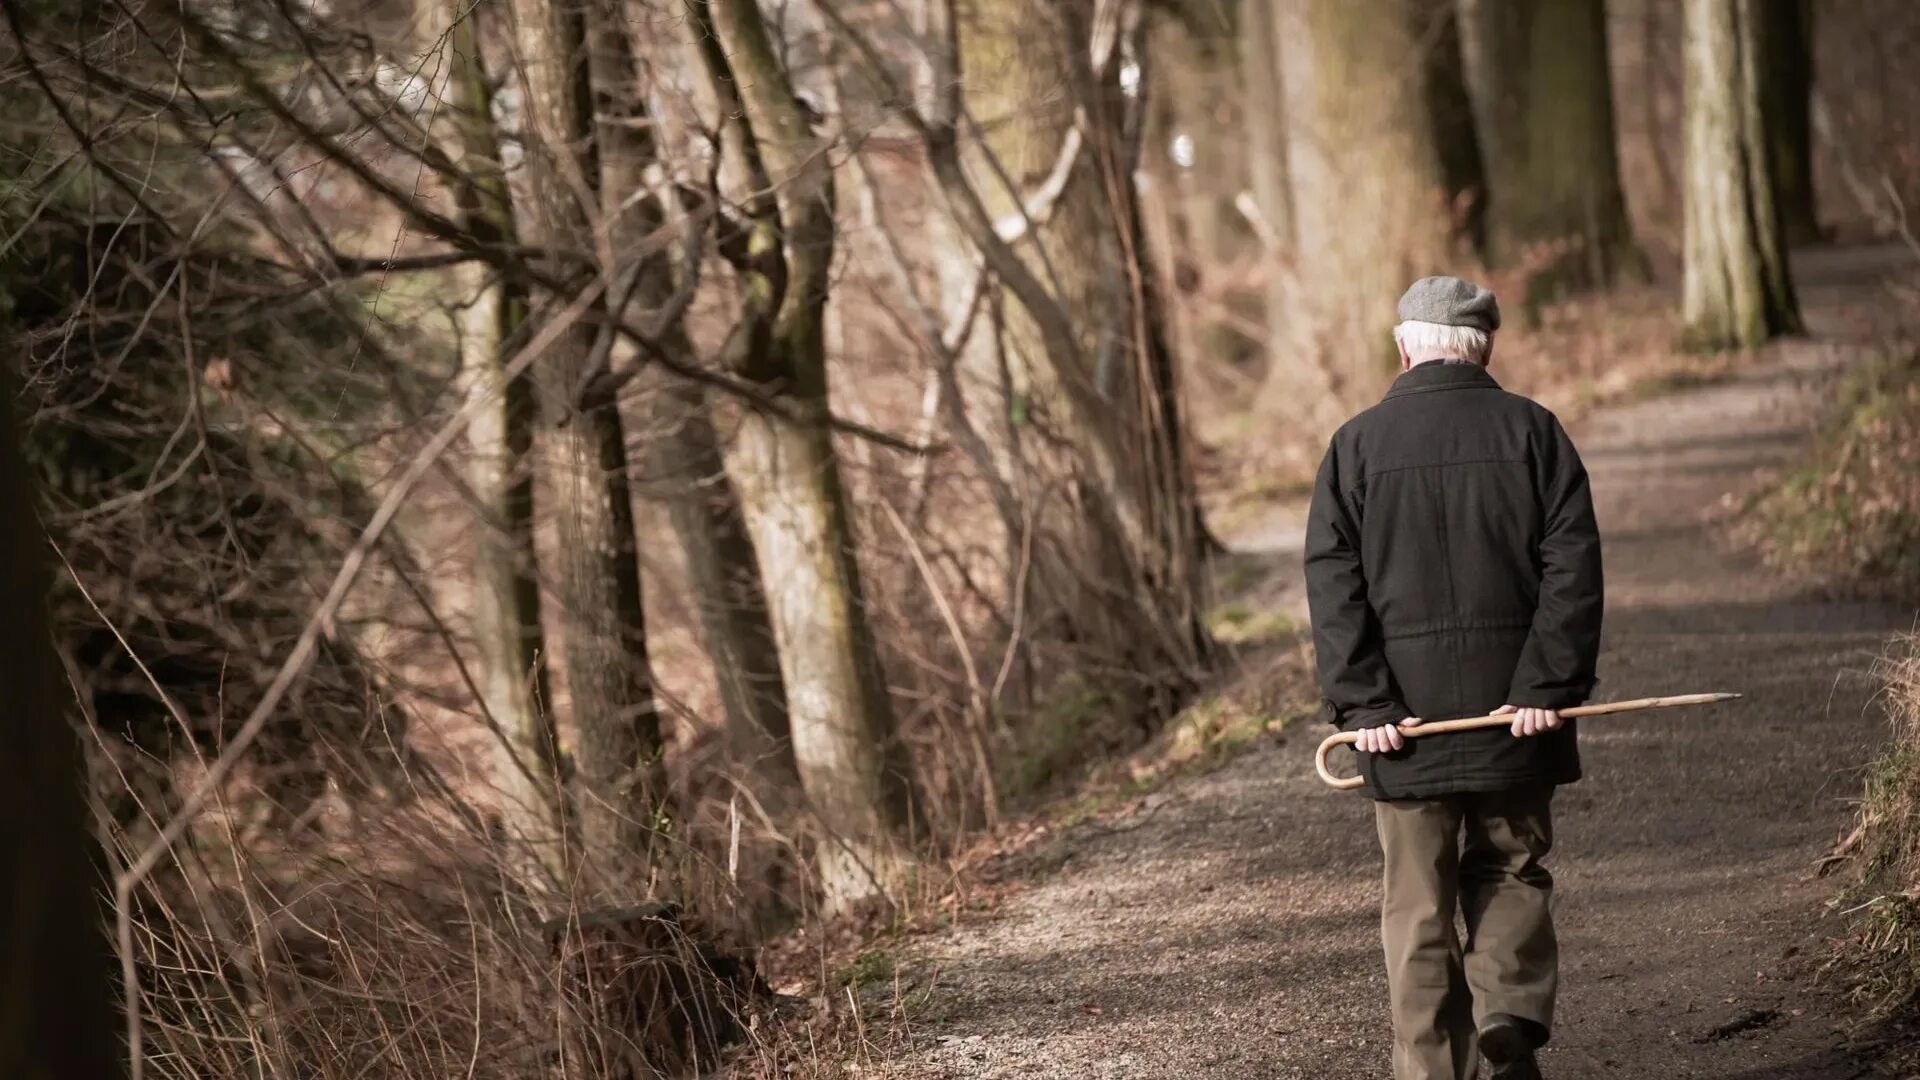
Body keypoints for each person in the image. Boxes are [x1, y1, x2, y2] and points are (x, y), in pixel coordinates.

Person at [1304, 276, 1604, 1080]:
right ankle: (1506, 1012)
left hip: (1404, 732)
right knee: (1510, 866)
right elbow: (1572, 568)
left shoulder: (1354, 448)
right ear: (1486, 348)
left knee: (1418, 905)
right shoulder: (1534, 433)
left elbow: (1334, 588)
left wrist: (1365, 702)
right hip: (1515, 718)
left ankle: (1436, 1069)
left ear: (1403, 347)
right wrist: (1547, 684)